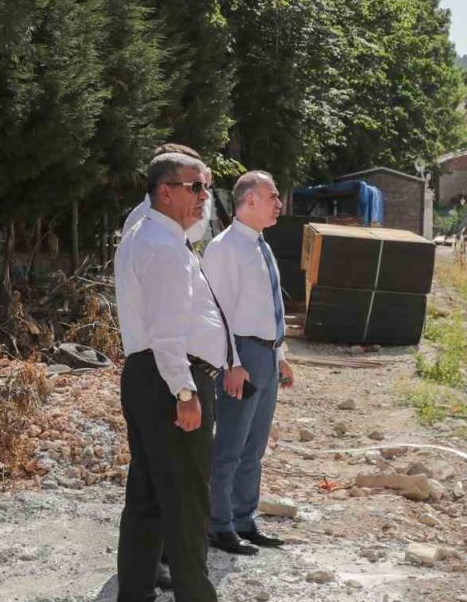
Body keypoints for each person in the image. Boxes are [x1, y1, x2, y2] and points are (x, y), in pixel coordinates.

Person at [114, 153, 249, 602]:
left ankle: (135, 593)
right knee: (188, 501)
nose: (203, 196)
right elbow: (166, 334)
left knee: (149, 498)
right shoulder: (163, 246)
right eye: (195, 187)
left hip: (153, 376)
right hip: (172, 379)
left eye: (206, 188)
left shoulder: (154, 236)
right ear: (165, 191)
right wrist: (186, 392)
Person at [202, 170, 296, 555]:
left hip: (266, 354)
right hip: (241, 353)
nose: (279, 203)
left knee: (254, 445)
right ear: (250, 200)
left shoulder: (261, 245)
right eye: (272, 196)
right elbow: (218, 312)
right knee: (229, 444)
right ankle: (218, 524)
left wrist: (281, 355)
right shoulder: (225, 248)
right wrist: (232, 363)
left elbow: (270, 307)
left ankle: (244, 518)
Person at [121, 143, 213, 242]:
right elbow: (195, 232)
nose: (205, 195)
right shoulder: (149, 222)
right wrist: (204, 185)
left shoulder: (147, 215)